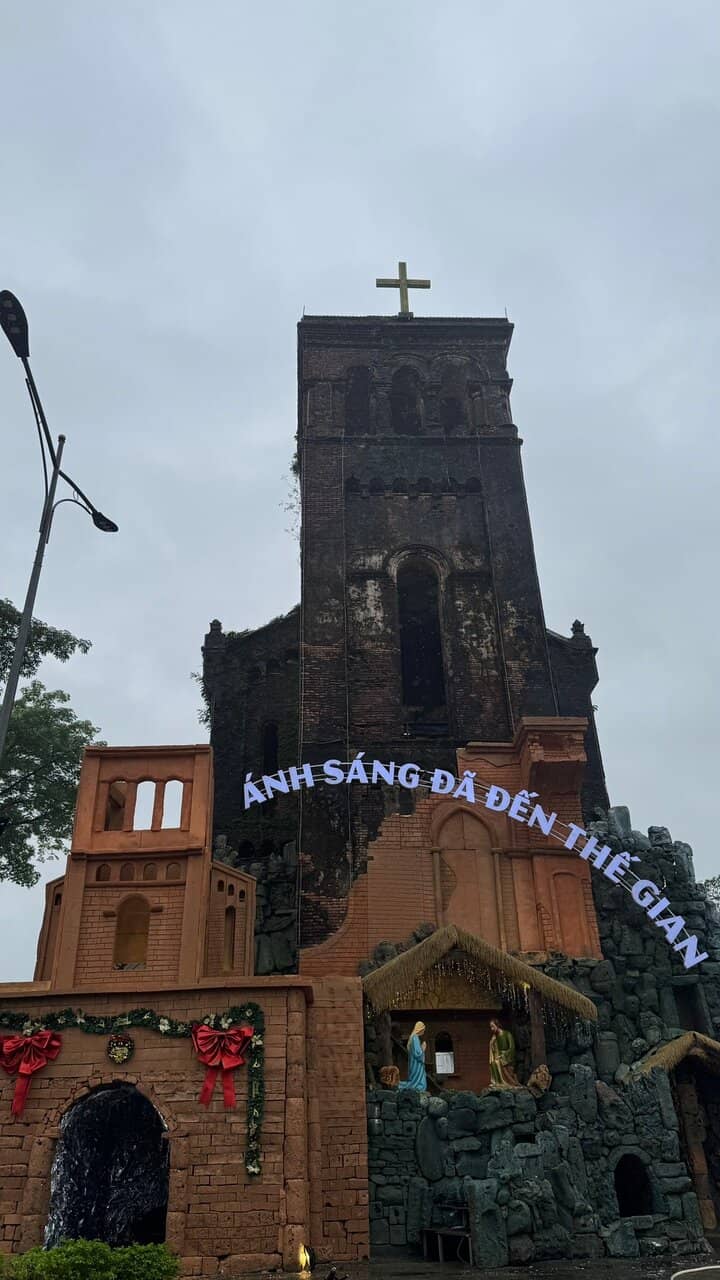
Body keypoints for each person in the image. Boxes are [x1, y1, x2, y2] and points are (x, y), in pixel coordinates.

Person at [488, 1018, 520, 1088]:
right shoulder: (495, 1037)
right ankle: (497, 1083)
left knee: (497, 1062)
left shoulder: (507, 1034)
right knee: (493, 1063)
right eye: (491, 1027)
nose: (492, 1029)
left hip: (507, 1056)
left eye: (493, 1026)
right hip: (498, 1056)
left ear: (497, 1025)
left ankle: (505, 1082)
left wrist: (502, 1056)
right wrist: (492, 1043)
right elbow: (493, 1050)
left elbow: (512, 1048)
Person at [398, 1021, 427, 1091]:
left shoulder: (413, 1037)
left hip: (414, 1063)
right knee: (420, 1084)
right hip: (416, 1064)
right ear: (420, 1029)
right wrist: (423, 1048)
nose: (423, 1031)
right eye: (423, 1029)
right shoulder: (415, 1038)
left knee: (415, 1080)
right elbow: (418, 1053)